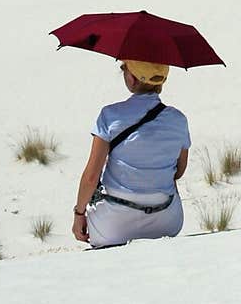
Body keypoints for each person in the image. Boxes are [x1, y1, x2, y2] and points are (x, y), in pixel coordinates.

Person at [72, 59, 190, 249]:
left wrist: (79, 214)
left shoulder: (110, 115)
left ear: (132, 79)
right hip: (166, 222)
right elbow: (179, 171)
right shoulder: (178, 119)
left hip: (112, 226)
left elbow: (91, 176)